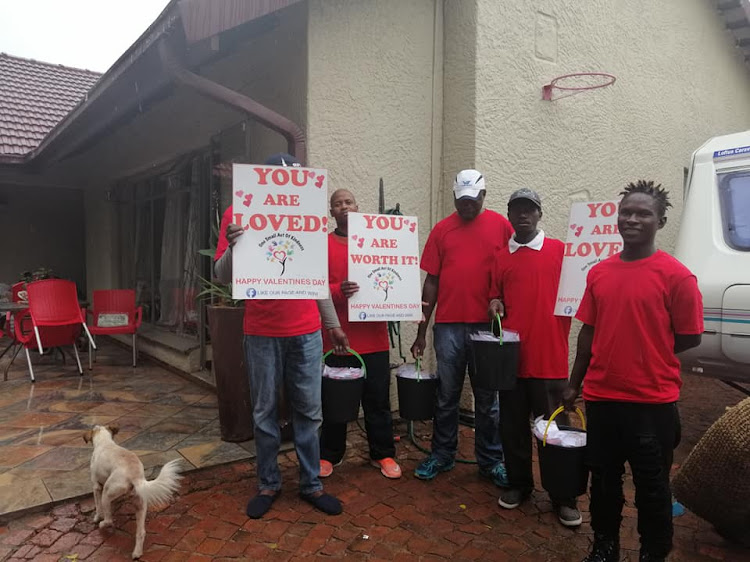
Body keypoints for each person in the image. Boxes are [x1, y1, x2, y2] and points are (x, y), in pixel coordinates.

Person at [562, 180, 703, 562]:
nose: (632, 219)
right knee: (604, 483)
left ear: (661, 221)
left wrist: (649, 352)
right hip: (603, 398)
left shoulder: (677, 277)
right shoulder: (600, 273)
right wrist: (573, 384)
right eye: (626, 212)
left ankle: (652, 552)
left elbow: (690, 337)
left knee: (652, 489)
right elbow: (588, 332)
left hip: (652, 403)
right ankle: (605, 546)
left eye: (643, 213)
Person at [214, 153, 349, 519]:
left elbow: (316, 278)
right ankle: (269, 482)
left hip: (306, 332)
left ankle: (311, 484)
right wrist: (234, 245)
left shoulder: (307, 220)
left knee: (309, 411)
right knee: (264, 412)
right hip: (261, 332)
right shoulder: (236, 215)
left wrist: (332, 324)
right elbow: (222, 276)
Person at [411, 169, 513, 485]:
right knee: (446, 396)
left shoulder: (501, 226)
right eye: (462, 199)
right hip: (449, 327)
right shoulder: (442, 230)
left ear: (484, 195)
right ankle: (442, 455)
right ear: (455, 196)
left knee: (487, 399)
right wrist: (421, 331)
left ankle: (491, 460)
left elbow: (514, 270)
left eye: (473, 199)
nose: (467, 205)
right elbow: (431, 281)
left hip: (487, 328)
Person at [488, 188, 580, 527]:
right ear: (509, 215)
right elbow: (495, 295)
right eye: (517, 210)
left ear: (540, 214)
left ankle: (563, 495)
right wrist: (494, 303)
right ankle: (519, 484)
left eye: (530, 209)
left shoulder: (561, 252)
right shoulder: (500, 256)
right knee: (511, 427)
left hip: (549, 357)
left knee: (555, 431)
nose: (523, 215)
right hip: (511, 359)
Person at [319, 189, 402, 480]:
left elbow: (396, 275)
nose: (344, 207)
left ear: (357, 206)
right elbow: (315, 288)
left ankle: (383, 452)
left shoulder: (378, 242)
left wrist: (407, 303)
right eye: (337, 204)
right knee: (334, 401)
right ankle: (330, 454)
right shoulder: (324, 244)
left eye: (348, 202)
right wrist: (336, 290)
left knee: (378, 400)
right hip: (338, 338)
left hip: (374, 335)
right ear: (332, 212)